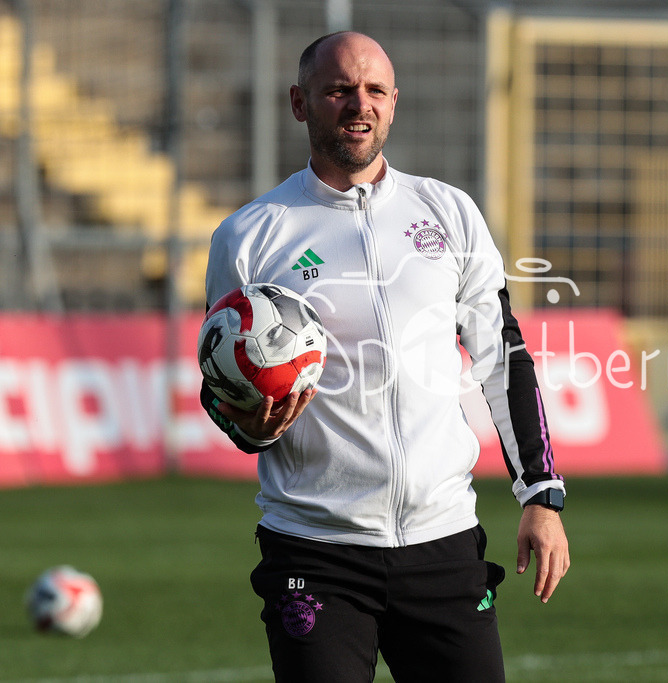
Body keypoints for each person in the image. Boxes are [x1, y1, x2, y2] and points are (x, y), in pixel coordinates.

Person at [200, 30, 569, 682]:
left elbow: (502, 356)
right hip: (315, 550)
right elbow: (222, 375)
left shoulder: (450, 213)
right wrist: (243, 425)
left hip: (443, 543)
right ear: (299, 102)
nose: (357, 104)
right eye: (338, 88)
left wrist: (540, 492)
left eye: (373, 90)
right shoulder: (249, 234)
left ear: (395, 102)